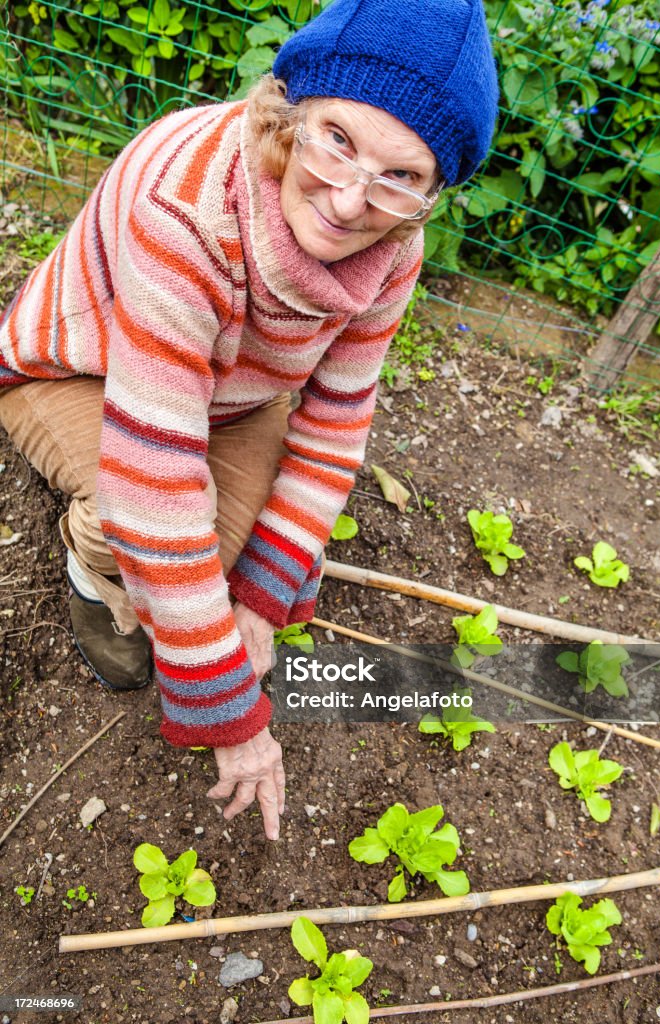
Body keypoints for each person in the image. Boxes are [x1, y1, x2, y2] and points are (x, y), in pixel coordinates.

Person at [0, 0, 497, 840]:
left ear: (431, 190)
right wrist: (230, 714)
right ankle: (93, 571)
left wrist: (264, 607)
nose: (349, 202)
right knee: (142, 526)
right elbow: (154, 474)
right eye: (336, 138)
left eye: (400, 176)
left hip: (232, 391)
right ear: (289, 111)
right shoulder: (189, 207)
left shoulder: (394, 246)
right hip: (85, 368)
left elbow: (338, 415)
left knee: (238, 567)